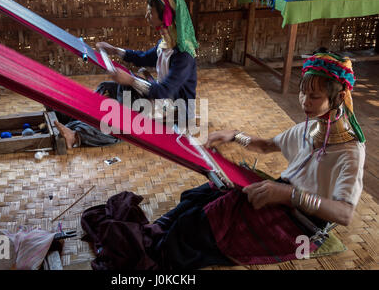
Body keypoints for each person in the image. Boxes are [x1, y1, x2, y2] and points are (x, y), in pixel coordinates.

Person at [80, 49, 366, 270]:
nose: (304, 101)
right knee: (200, 195)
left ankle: (157, 245)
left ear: (339, 97)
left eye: (313, 97)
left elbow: (344, 214)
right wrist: (232, 135)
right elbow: (267, 146)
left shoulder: (349, 150)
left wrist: (288, 194)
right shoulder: (311, 126)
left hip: (302, 223)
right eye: (302, 92)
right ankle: (154, 234)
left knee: (207, 221)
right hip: (283, 193)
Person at [55, 0, 199, 149]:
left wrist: (130, 80)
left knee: (125, 124)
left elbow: (164, 91)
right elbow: (143, 58)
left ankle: (76, 136)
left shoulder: (183, 56)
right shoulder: (166, 44)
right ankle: (76, 117)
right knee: (107, 87)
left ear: (166, 16)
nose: (147, 17)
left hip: (174, 106)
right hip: (160, 96)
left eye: (150, 13)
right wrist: (115, 50)